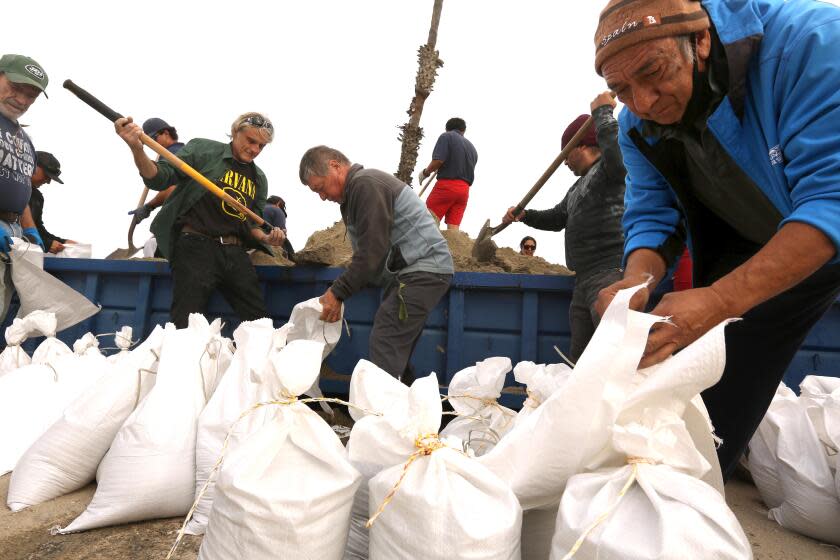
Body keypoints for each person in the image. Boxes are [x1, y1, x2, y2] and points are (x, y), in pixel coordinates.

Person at [592, 0, 840, 480]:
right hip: (764, 243)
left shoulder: (814, 45)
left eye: (653, 72)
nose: (643, 102)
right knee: (698, 427)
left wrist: (720, 300)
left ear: (701, 41)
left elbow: (832, 198)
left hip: (813, 222)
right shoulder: (636, 125)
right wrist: (638, 281)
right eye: (621, 89)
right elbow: (652, 213)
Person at [114, 111, 286, 327]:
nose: (254, 149)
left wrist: (268, 238)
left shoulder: (259, 178)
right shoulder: (203, 150)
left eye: (261, 146)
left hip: (235, 253)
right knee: (186, 324)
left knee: (260, 323)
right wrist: (137, 149)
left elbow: (252, 225)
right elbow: (159, 178)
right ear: (235, 132)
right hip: (196, 246)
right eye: (251, 141)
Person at [300, 145, 454, 384]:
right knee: (394, 348)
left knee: (386, 341)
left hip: (422, 269)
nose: (322, 197)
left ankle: (384, 416)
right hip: (413, 272)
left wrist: (337, 292)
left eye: (320, 188)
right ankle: (409, 409)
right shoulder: (356, 192)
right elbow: (371, 252)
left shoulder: (365, 184)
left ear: (335, 166)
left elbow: (372, 252)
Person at [503, 92, 626, 362]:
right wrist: (525, 215)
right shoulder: (576, 188)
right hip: (582, 279)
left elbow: (616, 151)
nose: (565, 163)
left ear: (582, 146)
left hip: (610, 273)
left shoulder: (610, 168)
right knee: (580, 360)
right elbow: (557, 218)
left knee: (613, 356)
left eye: (566, 156)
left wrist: (603, 113)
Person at [0, 54, 49, 319]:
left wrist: (30, 231)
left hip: (13, 234)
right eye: (16, 88)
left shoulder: (25, 139)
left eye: (31, 96)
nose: (22, 100)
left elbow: (22, 187)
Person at [418, 117, 478, 231]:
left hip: (447, 186)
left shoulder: (446, 136)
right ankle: (453, 248)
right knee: (453, 229)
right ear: (463, 130)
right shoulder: (472, 148)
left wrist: (425, 173)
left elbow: (438, 161)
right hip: (464, 191)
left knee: (427, 222)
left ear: (447, 128)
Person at [127, 118, 185, 223]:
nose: (151, 143)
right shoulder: (177, 152)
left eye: (153, 138)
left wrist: (149, 206)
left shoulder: (174, 153)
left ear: (166, 133)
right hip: (186, 215)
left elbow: (173, 189)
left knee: (154, 239)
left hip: (187, 218)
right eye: (147, 142)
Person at [29, 151, 77, 254]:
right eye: (47, 175)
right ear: (33, 165)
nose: (48, 181)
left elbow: (38, 229)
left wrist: (63, 243)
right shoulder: (12, 189)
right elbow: (17, 225)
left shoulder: (37, 197)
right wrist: (47, 244)